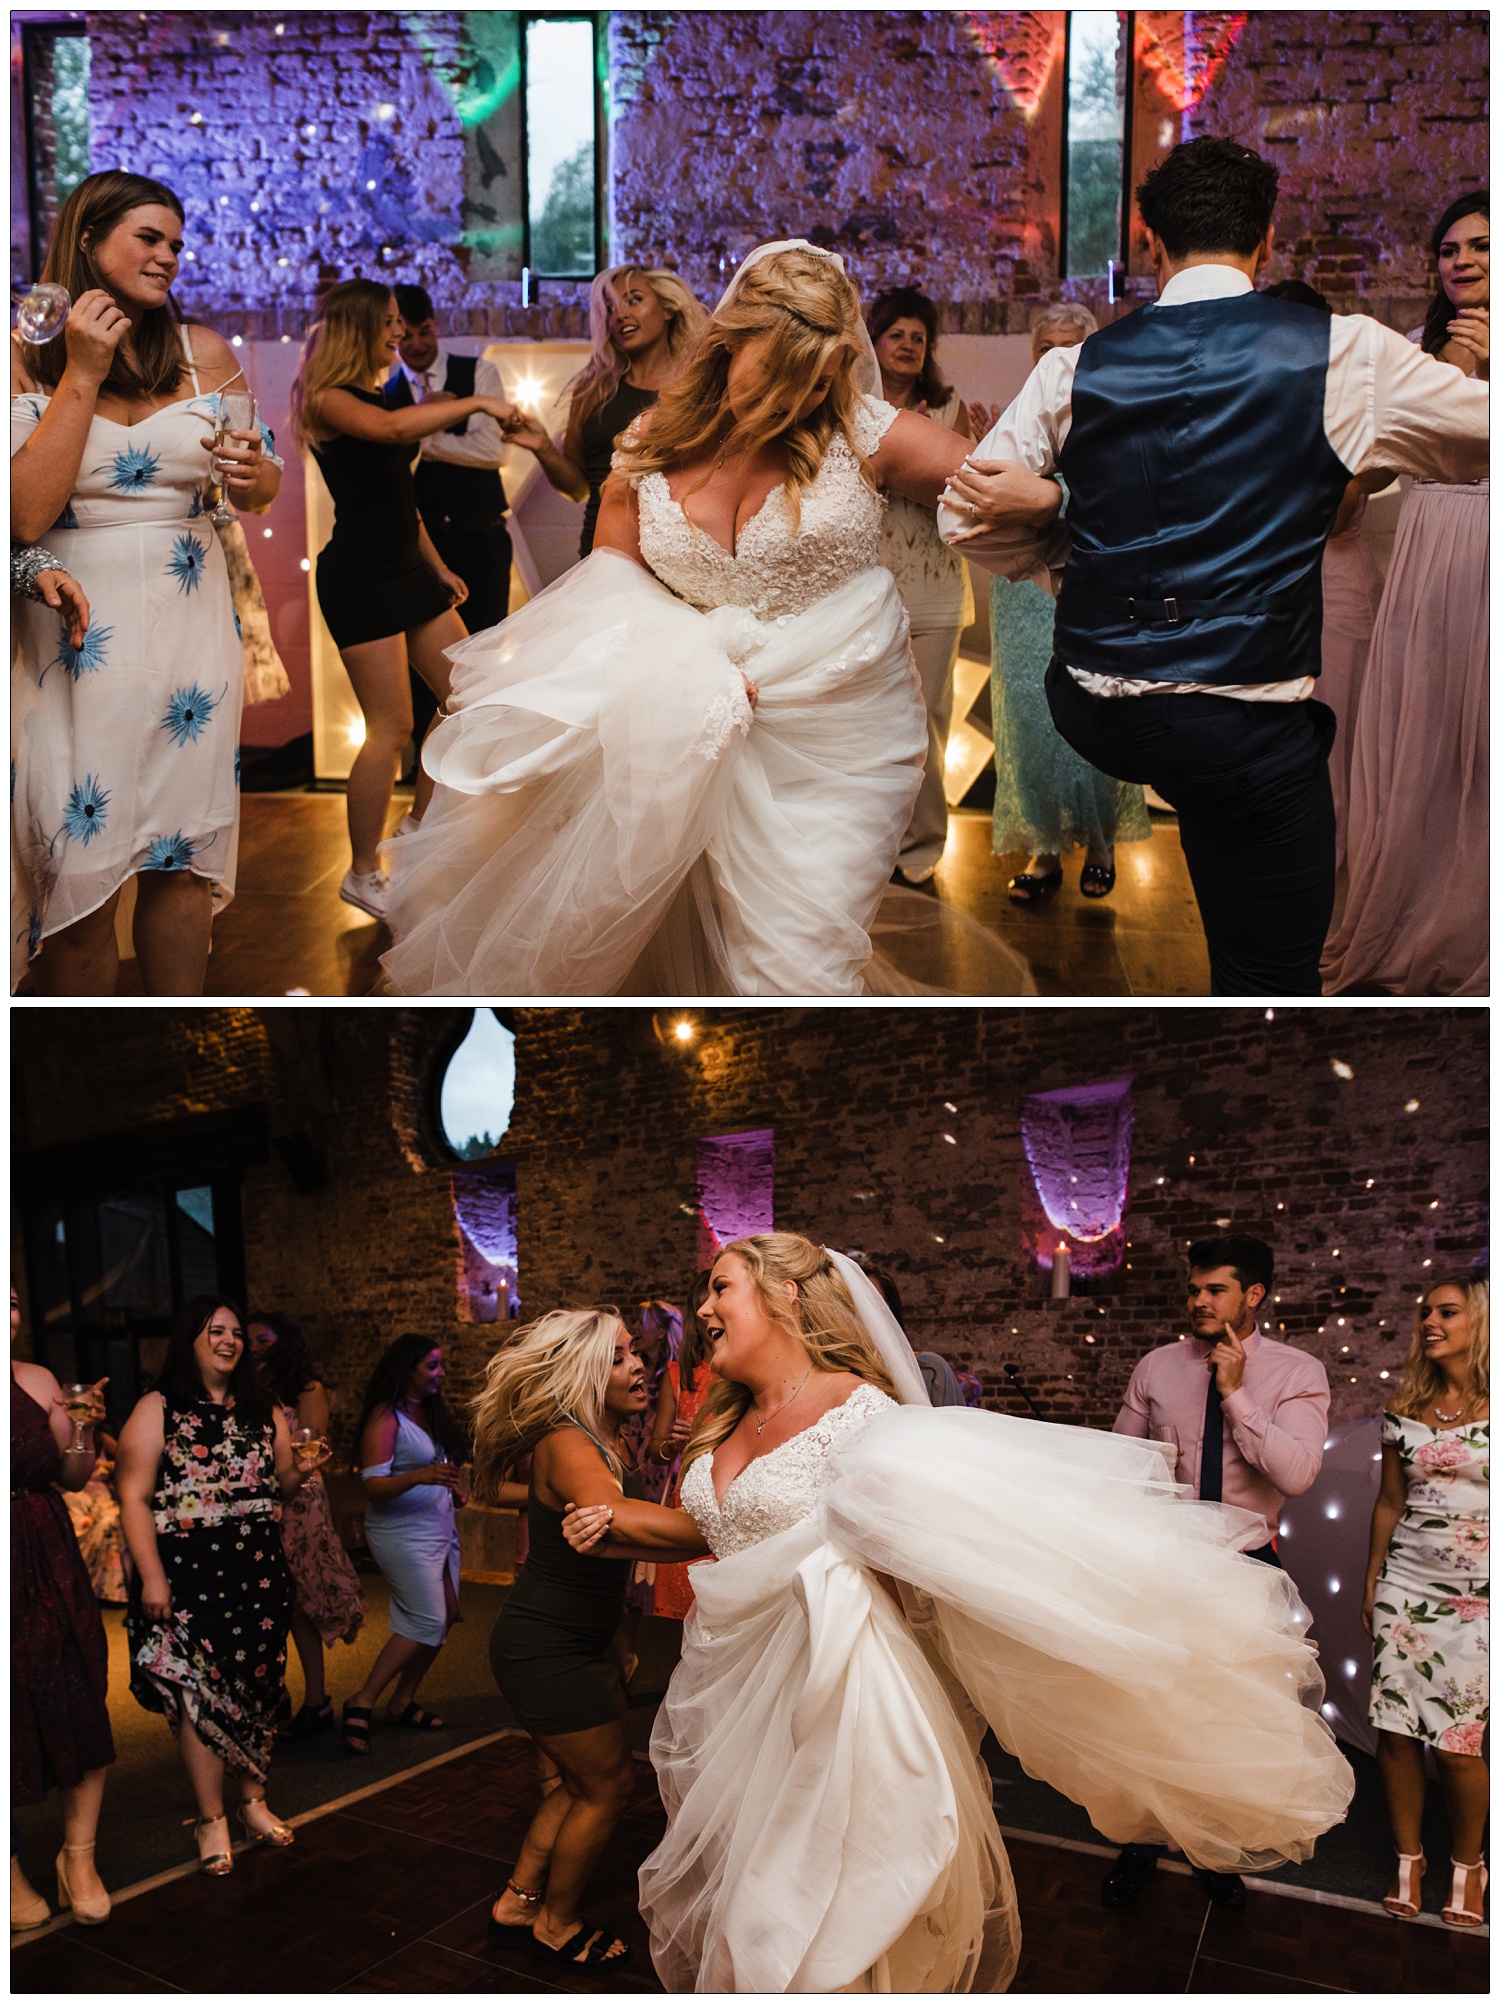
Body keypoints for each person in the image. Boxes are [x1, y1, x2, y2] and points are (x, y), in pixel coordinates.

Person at [560, 1232, 1353, 1992]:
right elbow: (717, 1527)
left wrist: (975, 1680)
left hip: (838, 1689)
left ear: (786, 1297)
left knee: (817, 1907)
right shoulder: (725, 1417)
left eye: (720, 1288)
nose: (702, 1308)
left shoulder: (862, 1414)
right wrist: (615, 1525)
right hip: (735, 1693)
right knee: (751, 1883)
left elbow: (938, 1555)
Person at [380, 240, 1035, 999]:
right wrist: (696, 672)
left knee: (797, 970)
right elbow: (613, 584)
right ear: (730, 341)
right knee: (673, 954)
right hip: (688, 733)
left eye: (820, 382)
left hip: (839, 744)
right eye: (782, 375)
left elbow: (1021, 503)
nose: (797, 401)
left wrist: (1052, 495)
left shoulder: (864, 432)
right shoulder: (647, 446)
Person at [944, 137, 1488, 995]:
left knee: (1207, 789)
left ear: (1151, 244)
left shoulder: (1075, 366)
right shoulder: (1344, 352)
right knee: (1271, 975)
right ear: (1267, 241)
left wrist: (1062, 538)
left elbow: (961, 517)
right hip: (1242, 726)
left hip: (1094, 704)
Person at [11, 170, 282, 997]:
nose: (169, 255)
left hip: (191, 631)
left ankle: (179, 1035)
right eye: (148, 238)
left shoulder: (205, 354)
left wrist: (253, 472)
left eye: (176, 242)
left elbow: (262, 485)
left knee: (180, 863)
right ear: (86, 241)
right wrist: (83, 372)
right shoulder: (20, 352)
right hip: (74, 639)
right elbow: (24, 516)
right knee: (80, 882)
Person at [1102, 1233, 1330, 1910]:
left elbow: (1295, 1475)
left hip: (1243, 1570)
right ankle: (1141, 1840)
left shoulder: (1297, 1373)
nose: (1198, 1300)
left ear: (1253, 1295)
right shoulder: (1158, 1366)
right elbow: (1121, 1464)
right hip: (1165, 1564)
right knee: (1151, 1708)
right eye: (1194, 1288)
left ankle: (1213, 1848)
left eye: (1215, 1289)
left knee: (1226, 1716)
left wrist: (1236, 1395)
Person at [289, 280, 514, 921]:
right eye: (389, 322)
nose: (398, 332)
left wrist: (437, 567)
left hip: (405, 568)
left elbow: (400, 498)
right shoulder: (330, 398)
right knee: (390, 730)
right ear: (360, 326)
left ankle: (417, 827)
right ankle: (362, 873)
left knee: (464, 694)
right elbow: (390, 433)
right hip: (359, 574)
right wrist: (475, 402)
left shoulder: (381, 389)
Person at [1322, 192, 1489, 996]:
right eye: (1450, 249)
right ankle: (1410, 911)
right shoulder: (1418, 353)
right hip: (1427, 549)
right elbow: (1372, 465)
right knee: (1418, 738)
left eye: (1480, 246)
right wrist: (1451, 378)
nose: (1461, 260)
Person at [116, 1295, 326, 1874]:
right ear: (191, 1338)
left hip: (257, 1575)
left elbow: (277, 1489)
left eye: (236, 1332)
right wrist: (152, 1577)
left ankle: (254, 1804)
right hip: (186, 1577)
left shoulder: (264, 1411)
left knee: (259, 1691)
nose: (230, 1340)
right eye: (216, 1330)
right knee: (197, 1696)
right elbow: (132, 1497)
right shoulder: (157, 1408)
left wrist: (301, 1471)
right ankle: (211, 1820)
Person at [472, 1308, 647, 1970]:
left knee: (579, 1786)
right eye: (619, 1356)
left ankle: (517, 1906)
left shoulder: (602, 1436)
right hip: (546, 1649)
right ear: (581, 1372)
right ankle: (556, 1923)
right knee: (608, 1788)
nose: (638, 1366)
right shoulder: (570, 1443)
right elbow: (623, 1521)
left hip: (570, 1643)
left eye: (636, 1353)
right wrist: (738, 1527)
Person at [981, 305, 1152, 905]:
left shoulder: (1119, 416)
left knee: (1095, 705)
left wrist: (1050, 498)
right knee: (1030, 717)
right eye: (1044, 344)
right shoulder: (1014, 417)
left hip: (1093, 580)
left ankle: (1102, 845)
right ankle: (1044, 848)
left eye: (1069, 344)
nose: (1054, 355)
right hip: (1022, 589)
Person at [1361, 1275, 1488, 1929]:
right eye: (1425, 1313)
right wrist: (1372, 1581)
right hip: (1406, 1594)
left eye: (1448, 1312)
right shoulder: (1403, 1407)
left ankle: (1469, 1865)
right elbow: (1390, 1503)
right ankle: (1409, 1857)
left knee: (1459, 1746)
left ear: (1482, 1321)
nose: (1431, 1322)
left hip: (1479, 1603)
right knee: (1398, 1736)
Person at [865, 287, 975, 885]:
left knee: (926, 717)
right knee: (866, 720)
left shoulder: (947, 409)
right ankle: (871, 841)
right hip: (862, 589)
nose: (907, 346)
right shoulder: (848, 407)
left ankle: (922, 847)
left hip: (933, 588)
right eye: (896, 335)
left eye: (918, 338)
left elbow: (958, 490)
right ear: (872, 342)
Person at [12, 1290, 114, 1929]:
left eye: (15, 1299)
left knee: (77, 1687)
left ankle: (78, 1857)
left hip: (44, 1550)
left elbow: (75, 1476)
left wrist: (83, 1426)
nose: (11, 1312)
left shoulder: (37, 1379)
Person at [386, 284, 514, 754]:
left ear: (436, 325)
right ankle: (429, 776)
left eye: (424, 331)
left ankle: (480, 764)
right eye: (406, 336)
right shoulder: (384, 392)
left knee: (483, 659)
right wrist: (427, 421)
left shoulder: (480, 371)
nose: (416, 344)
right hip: (421, 549)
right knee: (425, 671)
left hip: (482, 541)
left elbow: (491, 450)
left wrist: (416, 432)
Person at [501, 266, 707, 557]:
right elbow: (578, 490)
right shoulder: (593, 388)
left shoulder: (695, 387)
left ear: (668, 310)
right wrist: (544, 448)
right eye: (609, 308)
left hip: (675, 555)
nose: (620, 314)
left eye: (634, 300)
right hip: (601, 553)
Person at [341, 1334, 466, 1753]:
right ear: (406, 1368)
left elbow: (437, 1468)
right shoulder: (386, 1415)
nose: (441, 1373)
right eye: (432, 1365)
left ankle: (403, 1700)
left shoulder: (429, 1412)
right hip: (401, 1533)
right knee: (427, 1620)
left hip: (439, 1527)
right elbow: (372, 1485)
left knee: (445, 1616)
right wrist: (420, 1477)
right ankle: (363, 1698)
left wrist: (451, 1491)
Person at [247, 1311, 365, 1738]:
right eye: (251, 1341)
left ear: (285, 1341)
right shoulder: (249, 1390)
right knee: (271, 1604)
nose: (255, 1347)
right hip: (264, 1501)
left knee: (304, 1603)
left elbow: (311, 1445)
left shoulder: (306, 1389)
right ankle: (276, 1693)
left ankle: (317, 1700)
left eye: (263, 1340)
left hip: (301, 1500)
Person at [646, 1276, 714, 1619]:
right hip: (686, 1501)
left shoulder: (748, 1374)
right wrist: (672, 1447)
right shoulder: (679, 1376)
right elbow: (655, 1452)